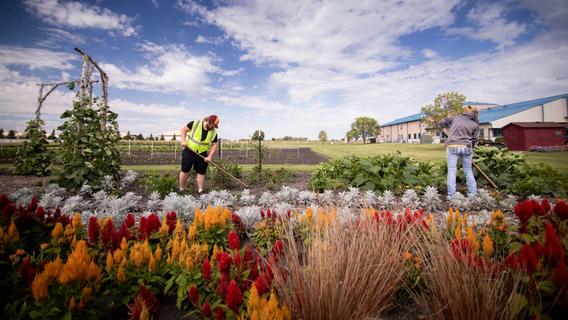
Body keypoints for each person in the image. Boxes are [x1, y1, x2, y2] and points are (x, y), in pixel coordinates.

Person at [439, 106, 480, 198]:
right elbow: (474, 139)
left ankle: (451, 196)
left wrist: (449, 131)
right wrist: (470, 151)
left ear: (465, 111)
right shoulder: (475, 124)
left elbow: (441, 124)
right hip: (467, 147)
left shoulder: (455, 117)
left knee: (452, 171)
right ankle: (472, 195)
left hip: (452, 146)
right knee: (468, 171)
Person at [179, 115, 219, 193]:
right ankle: (181, 189)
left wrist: (209, 156)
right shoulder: (195, 123)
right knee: (185, 170)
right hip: (189, 150)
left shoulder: (213, 132)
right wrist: (183, 141)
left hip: (202, 153)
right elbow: (183, 129)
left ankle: (200, 190)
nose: (213, 127)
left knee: (201, 171)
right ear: (208, 121)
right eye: (213, 125)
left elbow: (214, 145)